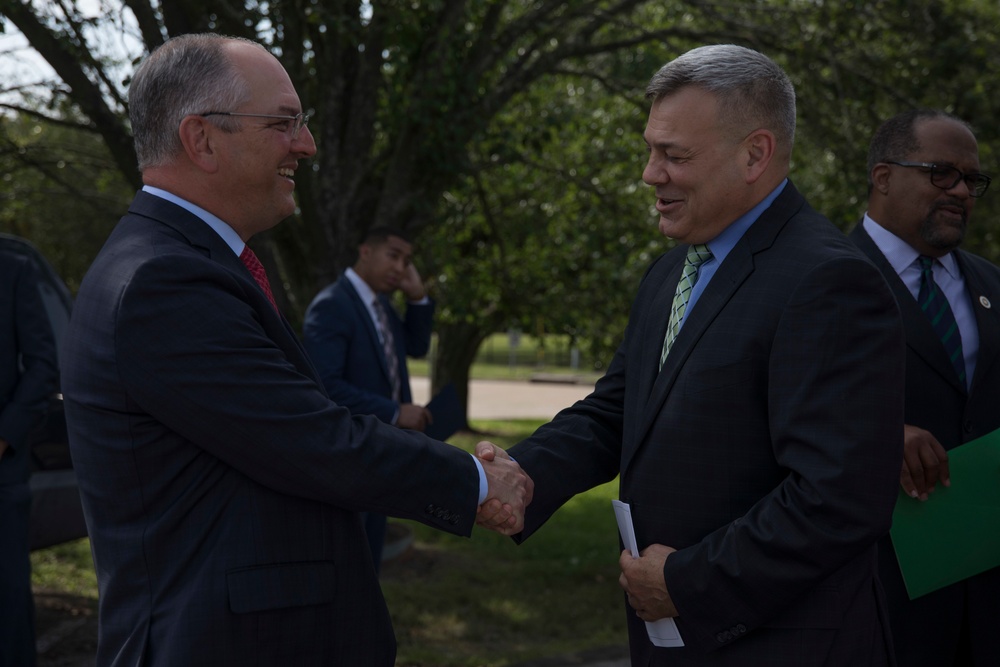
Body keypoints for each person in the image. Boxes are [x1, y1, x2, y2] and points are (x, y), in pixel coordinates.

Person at [60, 33, 531, 667]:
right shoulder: (161, 282)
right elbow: (311, 439)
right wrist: (475, 480)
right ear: (200, 139)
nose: (306, 144)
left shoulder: (179, 262)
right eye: (284, 123)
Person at [478, 44, 906, 665]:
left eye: (674, 155)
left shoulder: (829, 281)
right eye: (651, 149)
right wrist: (521, 476)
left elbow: (838, 499)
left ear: (755, 153)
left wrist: (685, 582)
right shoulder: (672, 269)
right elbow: (619, 410)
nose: (651, 174)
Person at [849, 109, 1000, 667]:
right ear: (883, 177)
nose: (961, 190)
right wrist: (878, 434)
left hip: (985, 592)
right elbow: (767, 402)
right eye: (941, 173)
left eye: (971, 179)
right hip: (879, 591)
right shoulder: (822, 277)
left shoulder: (991, 285)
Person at [303, 226, 434, 572]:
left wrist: (418, 298)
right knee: (350, 565)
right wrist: (394, 411)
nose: (401, 268)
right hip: (350, 458)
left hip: (382, 453)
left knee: (369, 562)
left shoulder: (384, 307)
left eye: (407, 261)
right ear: (365, 251)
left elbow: (417, 347)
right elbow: (324, 385)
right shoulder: (333, 305)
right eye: (393, 256)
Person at [0, 247, 59, 667]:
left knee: (8, 605)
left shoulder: (13, 271)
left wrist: (3, 437)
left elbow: (42, 366)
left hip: (2, 474)